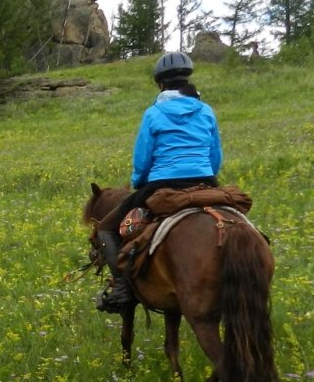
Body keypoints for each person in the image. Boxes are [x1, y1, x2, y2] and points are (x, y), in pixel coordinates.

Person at [95, 52, 222, 313]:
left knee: (106, 229)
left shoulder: (153, 113)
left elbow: (142, 160)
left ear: (160, 84)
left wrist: (137, 182)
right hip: (205, 182)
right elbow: (214, 156)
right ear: (187, 79)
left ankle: (122, 288)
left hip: (162, 184)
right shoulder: (206, 111)